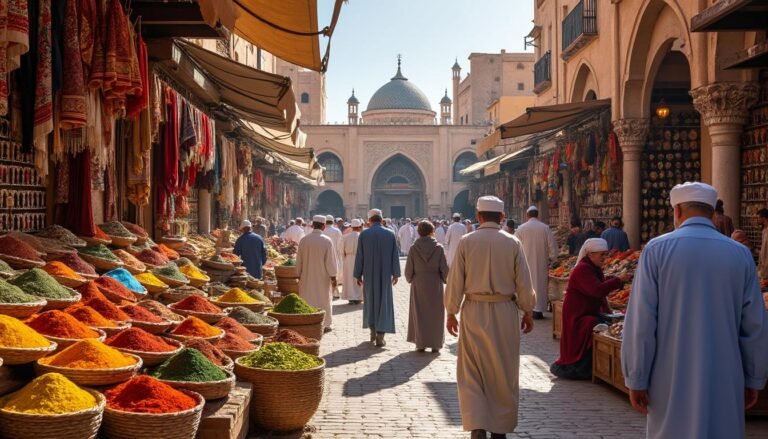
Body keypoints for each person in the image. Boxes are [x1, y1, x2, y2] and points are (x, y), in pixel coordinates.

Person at [622, 182, 768, 438]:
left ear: (677, 211)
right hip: (724, 376)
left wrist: (636, 377)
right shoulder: (740, 255)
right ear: (713, 213)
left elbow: (641, 323)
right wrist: (754, 377)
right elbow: (755, 325)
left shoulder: (656, 251)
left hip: (668, 377)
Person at [445, 196, 535, 439]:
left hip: (474, 311)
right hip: (505, 312)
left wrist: (451, 312)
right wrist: (528, 310)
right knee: (503, 371)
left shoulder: (466, 242)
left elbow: (455, 282)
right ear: (502, 217)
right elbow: (524, 283)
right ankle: (499, 428)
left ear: (478, 216)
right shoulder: (512, 243)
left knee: (472, 371)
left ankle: (477, 426)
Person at [550, 238, 630, 380]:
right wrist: (618, 280)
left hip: (586, 311)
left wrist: (614, 278)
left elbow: (600, 283)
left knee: (601, 323)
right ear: (590, 254)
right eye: (601, 255)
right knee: (592, 324)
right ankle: (579, 367)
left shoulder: (592, 268)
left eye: (605, 254)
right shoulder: (582, 269)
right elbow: (596, 290)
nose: (605, 258)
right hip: (578, 315)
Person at [353, 209, 401, 347]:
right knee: (384, 302)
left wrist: (357, 274)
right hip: (385, 274)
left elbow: (359, 256)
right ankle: (381, 335)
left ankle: (372, 331)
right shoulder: (390, 234)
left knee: (371, 301)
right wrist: (396, 273)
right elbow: (394, 256)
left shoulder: (364, 234)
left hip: (368, 274)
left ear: (369, 220)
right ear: (381, 219)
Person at [405, 220, 449, 353]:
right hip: (435, 283)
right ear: (432, 232)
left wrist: (412, 279)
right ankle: (435, 343)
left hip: (419, 283)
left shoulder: (413, 248)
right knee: (436, 313)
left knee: (419, 313)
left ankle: (421, 343)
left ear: (418, 232)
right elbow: (444, 270)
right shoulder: (438, 248)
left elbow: (408, 271)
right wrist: (444, 279)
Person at [296, 215, 338, 332]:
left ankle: (307, 321)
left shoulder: (304, 240)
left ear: (313, 225)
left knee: (308, 298)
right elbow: (331, 262)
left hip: (306, 276)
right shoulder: (326, 241)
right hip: (322, 277)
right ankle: (325, 324)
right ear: (324, 226)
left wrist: (298, 274)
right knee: (323, 298)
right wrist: (333, 277)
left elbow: (299, 260)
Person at [515, 205, 557, 320]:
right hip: (541, 262)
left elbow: (515, 245)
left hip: (525, 262)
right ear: (537, 215)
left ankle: (529, 309)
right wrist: (554, 259)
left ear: (527, 215)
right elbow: (552, 245)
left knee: (527, 285)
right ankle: (538, 310)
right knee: (540, 285)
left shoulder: (521, 228)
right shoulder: (545, 228)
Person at [340, 219, 364, 304]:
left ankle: (351, 297)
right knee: (359, 277)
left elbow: (341, 251)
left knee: (349, 279)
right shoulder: (362, 236)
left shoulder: (345, 237)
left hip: (348, 259)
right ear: (359, 227)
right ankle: (359, 297)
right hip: (360, 259)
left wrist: (345, 260)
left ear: (351, 227)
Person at [323, 214, 344, 297]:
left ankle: (327, 292)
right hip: (335, 255)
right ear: (333, 221)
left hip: (324, 256)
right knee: (334, 274)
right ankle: (335, 293)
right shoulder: (337, 231)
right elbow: (340, 244)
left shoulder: (323, 230)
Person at [759, 208, 768, 280]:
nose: (758, 220)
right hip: (763, 267)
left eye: (759, 217)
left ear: (763, 218)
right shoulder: (764, 230)